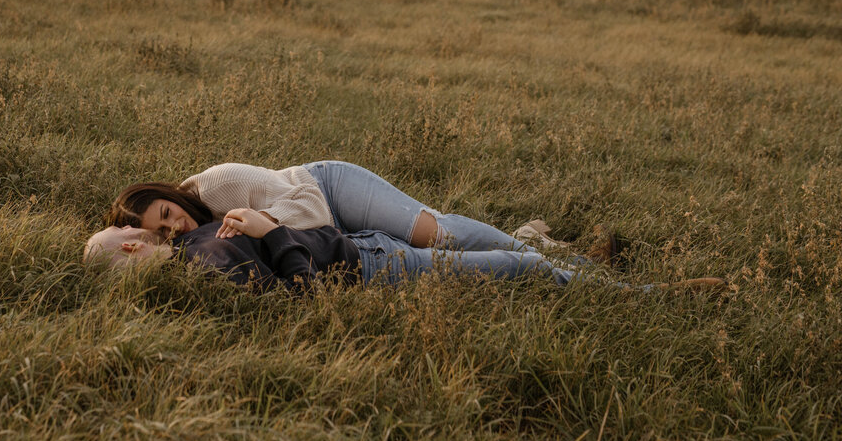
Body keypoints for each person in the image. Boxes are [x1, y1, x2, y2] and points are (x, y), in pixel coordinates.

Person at [83, 210, 726, 294]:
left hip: (360, 240)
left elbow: (273, 234)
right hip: (372, 265)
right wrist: (278, 239)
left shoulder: (197, 244)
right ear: (134, 251)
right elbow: (292, 288)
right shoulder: (207, 268)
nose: (147, 234)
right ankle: (649, 296)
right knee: (521, 268)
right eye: (131, 237)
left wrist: (263, 222)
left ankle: (589, 265)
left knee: (487, 238)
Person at [108, 160, 614, 260]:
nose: (180, 226)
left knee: (437, 237)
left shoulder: (218, 186)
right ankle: (526, 240)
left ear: (170, 195)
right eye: (165, 232)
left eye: (168, 212)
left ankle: (550, 251)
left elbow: (305, 204)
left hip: (329, 190)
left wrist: (271, 228)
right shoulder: (194, 247)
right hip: (332, 241)